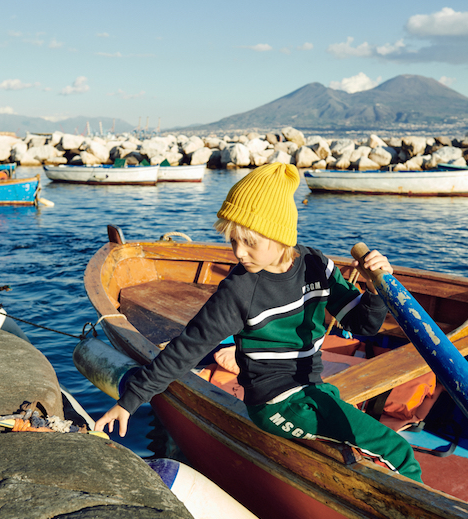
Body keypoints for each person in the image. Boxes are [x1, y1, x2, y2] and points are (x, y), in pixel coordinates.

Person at [94, 162, 422, 483]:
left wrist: (375, 289)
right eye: (233, 240)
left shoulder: (316, 265)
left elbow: (363, 325)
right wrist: (129, 400)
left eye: (249, 241)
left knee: (371, 444)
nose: (238, 252)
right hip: (275, 402)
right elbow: (187, 349)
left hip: (314, 387)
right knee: (399, 452)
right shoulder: (239, 290)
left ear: (280, 236)